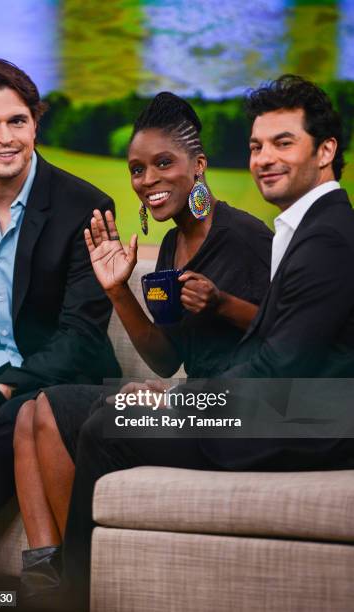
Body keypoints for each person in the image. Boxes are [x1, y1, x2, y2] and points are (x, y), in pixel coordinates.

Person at [39, 75, 354, 610]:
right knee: (99, 413)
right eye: (256, 146)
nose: (262, 159)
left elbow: (280, 366)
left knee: (107, 423)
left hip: (303, 420)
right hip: (285, 408)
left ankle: (74, 596)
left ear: (325, 151)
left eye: (283, 143)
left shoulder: (325, 236)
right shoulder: (306, 230)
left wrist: (180, 401)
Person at [13, 92, 273, 606]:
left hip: (235, 411)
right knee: (33, 411)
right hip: (189, 397)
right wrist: (117, 290)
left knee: (75, 410)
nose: (147, 179)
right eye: (137, 169)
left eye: (162, 163)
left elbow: (284, 338)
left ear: (198, 166)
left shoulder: (246, 236)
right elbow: (164, 358)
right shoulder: (171, 252)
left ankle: (80, 581)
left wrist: (221, 304)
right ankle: (47, 576)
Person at [0, 58, 120, 562]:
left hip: (48, 378)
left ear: (35, 124)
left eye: (17, 121)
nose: (5, 137)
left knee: (15, 416)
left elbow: (81, 335)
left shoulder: (85, 207)